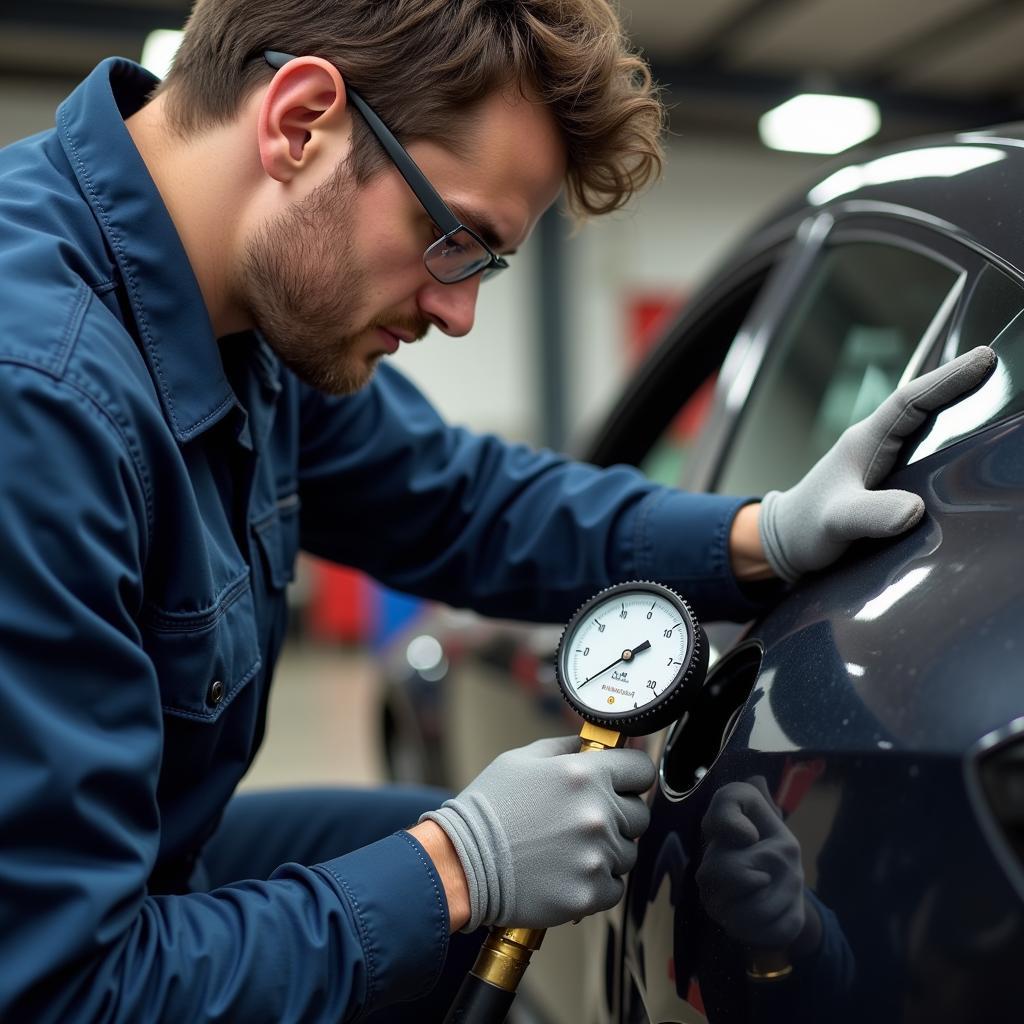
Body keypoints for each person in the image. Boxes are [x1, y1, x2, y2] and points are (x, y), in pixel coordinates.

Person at [0, 1, 995, 1021]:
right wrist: (455, 868)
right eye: (454, 239)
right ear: (299, 123)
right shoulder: (39, 398)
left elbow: (457, 503)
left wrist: (761, 534)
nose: (459, 311)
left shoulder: (245, 312)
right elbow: (60, 987)